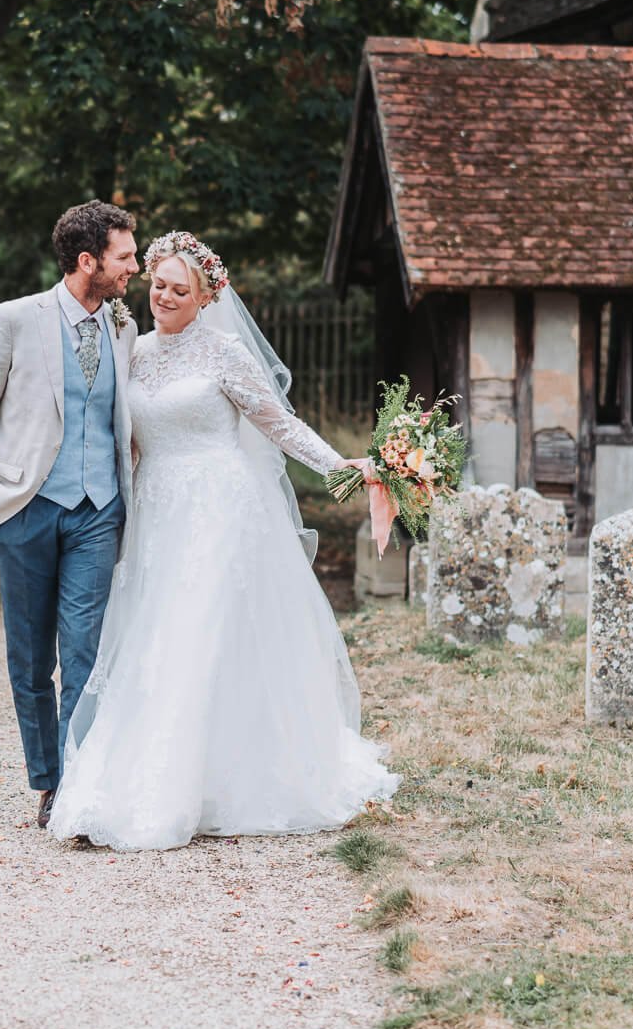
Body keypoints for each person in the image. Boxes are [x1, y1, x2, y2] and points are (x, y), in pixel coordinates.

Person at [47, 230, 399, 851]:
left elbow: (280, 426)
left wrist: (346, 467)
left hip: (219, 511)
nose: (165, 297)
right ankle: (147, 775)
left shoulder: (226, 353)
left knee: (200, 633)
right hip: (156, 513)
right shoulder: (133, 350)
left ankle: (202, 785)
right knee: (156, 635)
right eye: (158, 284)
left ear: (207, 298)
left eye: (181, 291)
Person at [0, 200, 140, 829]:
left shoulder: (123, 327)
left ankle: (79, 785)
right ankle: (47, 778)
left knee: (84, 652)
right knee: (31, 658)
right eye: (125, 257)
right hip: (26, 510)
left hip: (98, 511)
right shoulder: (14, 320)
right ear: (87, 261)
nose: (133, 268)